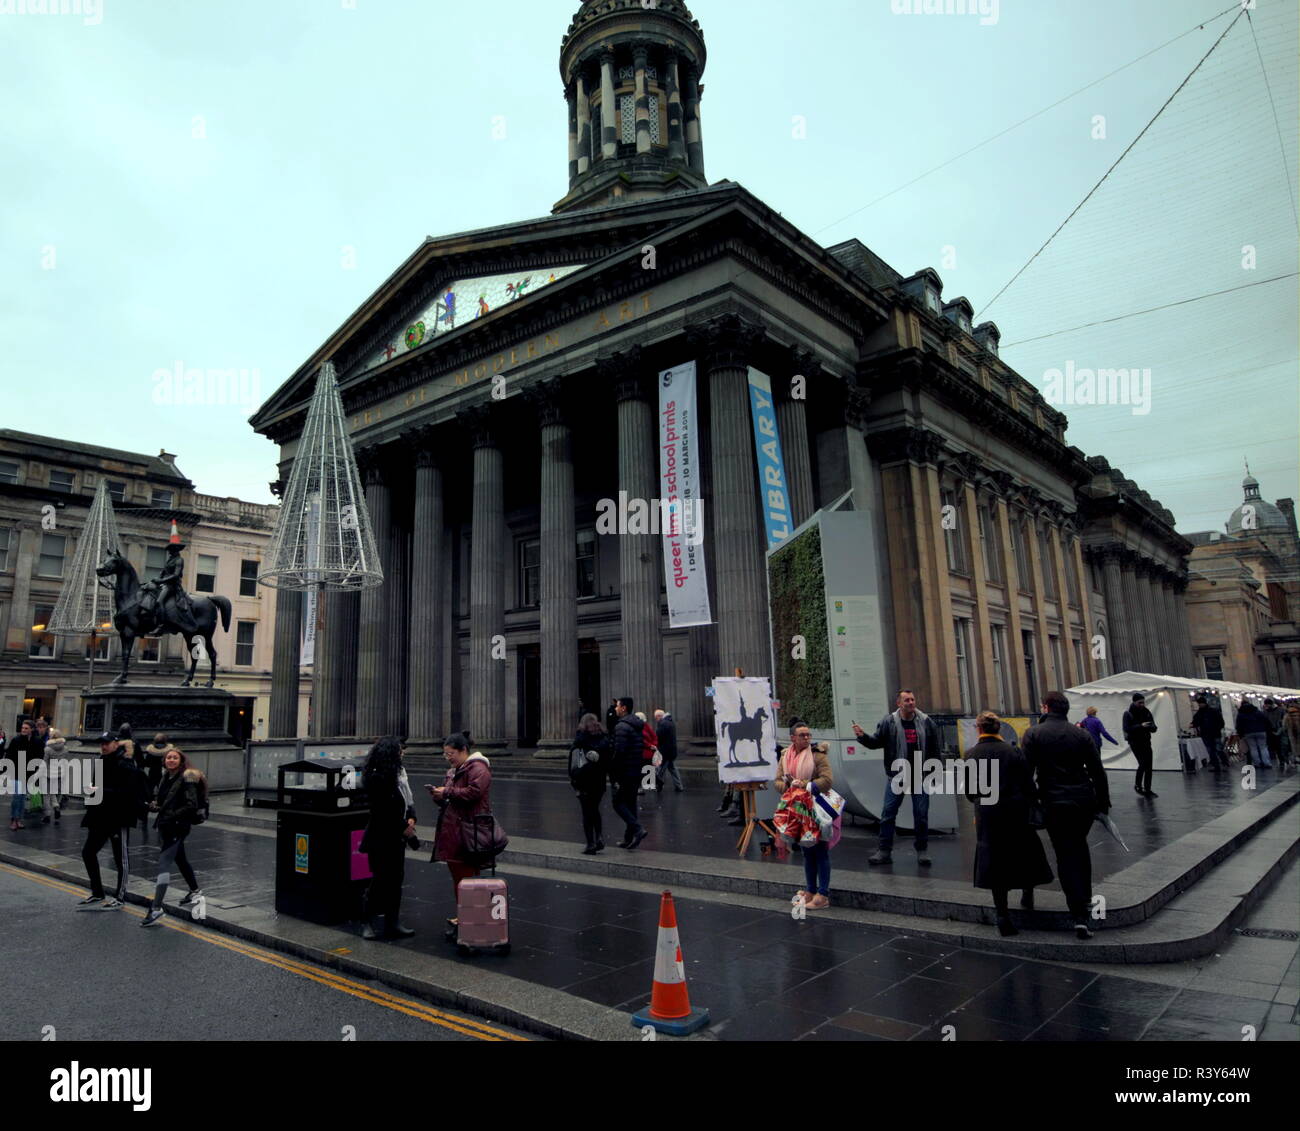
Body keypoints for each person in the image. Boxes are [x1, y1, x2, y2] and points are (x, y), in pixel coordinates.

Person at [1023, 691, 1111, 940]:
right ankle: (1083, 901)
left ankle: (1078, 913)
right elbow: (1097, 771)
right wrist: (1102, 804)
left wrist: (1032, 801)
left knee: (1065, 854)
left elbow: (1026, 773)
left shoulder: (1034, 734)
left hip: (1054, 801)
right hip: (1082, 800)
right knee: (1080, 849)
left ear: (1046, 707)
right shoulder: (1081, 734)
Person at [966, 711, 1054, 936]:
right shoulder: (1013, 751)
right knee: (1023, 852)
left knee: (995, 862)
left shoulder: (971, 755)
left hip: (988, 813)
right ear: (999, 729)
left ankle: (1002, 914)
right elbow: (1028, 784)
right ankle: (1027, 892)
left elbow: (969, 792)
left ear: (979, 729)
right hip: (1015, 811)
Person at [854, 689, 940, 866]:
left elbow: (934, 748)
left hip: (920, 775)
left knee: (921, 814)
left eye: (912, 699)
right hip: (897, 775)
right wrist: (862, 737)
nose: (910, 703)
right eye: (906, 700)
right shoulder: (889, 722)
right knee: (888, 814)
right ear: (898, 704)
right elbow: (876, 742)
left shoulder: (926, 722)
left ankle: (922, 850)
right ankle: (884, 851)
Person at [429, 733, 493, 933]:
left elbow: (474, 792)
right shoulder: (454, 770)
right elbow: (452, 797)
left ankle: (470, 918)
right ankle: (464, 914)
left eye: (451, 753)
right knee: (459, 877)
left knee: (467, 877)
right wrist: (439, 796)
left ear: (464, 750)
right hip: (454, 830)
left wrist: (447, 792)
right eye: (445, 754)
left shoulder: (478, 768)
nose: (448, 757)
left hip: (468, 830)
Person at [78, 732, 147, 910]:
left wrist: (100, 790)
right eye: (101, 743)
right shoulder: (101, 761)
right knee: (88, 852)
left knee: (120, 859)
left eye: (107, 743)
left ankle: (120, 896)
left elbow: (127, 793)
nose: (103, 746)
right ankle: (98, 892)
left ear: (116, 744)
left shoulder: (125, 764)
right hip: (99, 816)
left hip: (118, 817)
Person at [357, 736, 416, 940]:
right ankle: (367, 921)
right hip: (380, 837)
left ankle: (393, 922)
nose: (403, 753)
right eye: (399, 750)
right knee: (380, 880)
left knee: (395, 880)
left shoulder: (398, 774)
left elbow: (406, 800)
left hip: (396, 838)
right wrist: (403, 827)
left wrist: (411, 818)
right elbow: (382, 809)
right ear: (390, 753)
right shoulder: (376, 777)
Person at [140, 748, 206, 927]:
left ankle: (156, 908)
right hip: (167, 825)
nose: (171, 760)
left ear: (181, 760)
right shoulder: (165, 778)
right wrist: (155, 806)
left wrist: (172, 815)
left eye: (175, 758)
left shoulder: (187, 778)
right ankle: (195, 891)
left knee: (164, 863)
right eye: (168, 757)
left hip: (178, 826)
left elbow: (191, 804)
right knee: (181, 859)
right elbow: (164, 802)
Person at [775, 721, 834, 909]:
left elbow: (827, 780)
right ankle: (810, 890)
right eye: (802, 735)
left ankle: (823, 894)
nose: (807, 738)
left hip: (817, 810)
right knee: (807, 852)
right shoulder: (785, 756)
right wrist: (787, 786)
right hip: (797, 810)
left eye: (808, 734)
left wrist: (806, 784)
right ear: (792, 738)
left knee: (821, 850)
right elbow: (777, 781)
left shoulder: (818, 755)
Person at [610, 698, 647, 849]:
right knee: (630, 804)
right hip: (635, 769)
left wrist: (614, 772)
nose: (615, 708)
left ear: (623, 708)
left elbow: (619, 751)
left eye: (617, 706)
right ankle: (628, 838)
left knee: (617, 803)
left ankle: (637, 829)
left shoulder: (622, 727)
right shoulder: (636, 725)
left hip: (625, 771)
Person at [570, 713, 610, 854]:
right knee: (595, 809)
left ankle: (590, 844)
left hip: (584, 781)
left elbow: (573, 761)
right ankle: (599, 837)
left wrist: (574, 779)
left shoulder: (580, 739)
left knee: (587, 813)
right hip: (599, 781)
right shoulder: (604, 740)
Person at [1122, 693, 1158, 797]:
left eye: (1143, 702)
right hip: (1135, 742)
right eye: (1139, 703)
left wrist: (1152, 727)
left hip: (1146, 741)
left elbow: (1153, 725)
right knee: (1142, 763)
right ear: (1134, 702)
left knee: (1149, 766)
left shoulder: (1146, 711)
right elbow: (1127, 728)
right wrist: (1140, 726)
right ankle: (1138, 785)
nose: (1142, 704)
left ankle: (1147, 789)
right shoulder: (1128, 713)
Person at [6, 720, 37, 830]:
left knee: (23, 798)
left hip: (29, 774)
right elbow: (9, 756)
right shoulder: (16, 740)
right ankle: (14, 819)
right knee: (17, 797)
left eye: (26, 728)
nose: (23, 730)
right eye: (22, 728)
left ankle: (19, 819)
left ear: (32, 729)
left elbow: (38, 757)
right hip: (16, 772)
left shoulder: (36, 741)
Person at [1191, 696, 1226, 772]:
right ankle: (1218, 765)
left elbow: (1221, 722)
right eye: (1199, 703)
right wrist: (1193, 724)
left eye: (1201, 703)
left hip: (1212, 733)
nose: (1200, 705)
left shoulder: (1210, 711)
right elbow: (1196, 722)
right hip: (1208, 734)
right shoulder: (1202, 713)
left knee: (1216, 749)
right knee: (1212, 750)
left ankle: (1223, 763)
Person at [1235, 700, 1272, 768]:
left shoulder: (1241, 714)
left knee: (1253, 748)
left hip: (1248, 733)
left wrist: (1241, 734)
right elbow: (1266, 721)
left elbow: (1239, 725)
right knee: (1263, 747)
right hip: (1261, 731)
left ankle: (1257, 763)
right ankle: (1266, 763)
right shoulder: (1258, 712)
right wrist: (1267, 730)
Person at [42, 727, 69, 823]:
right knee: (52, 792)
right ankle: (56, 806)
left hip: (48, 774)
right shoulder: (65, 748)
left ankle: (47, 815)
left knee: (46, 794)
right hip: (59, 774)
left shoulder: (48, 749)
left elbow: (44, 762)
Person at [654, 708, 682, 792]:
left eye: (656, 718)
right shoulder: (670, 722)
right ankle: (679, 786)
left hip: (665, 751)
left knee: (660, 770)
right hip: (671, 750)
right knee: (672, 769)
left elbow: (658, 737)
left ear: (659, 716)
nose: (656, 720)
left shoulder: (663, 723)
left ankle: (659, 785)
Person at [1263, 698, 1285, 767]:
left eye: (1267, 705)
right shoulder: (1265, 711)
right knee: (1272, 746)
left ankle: (1282, 760)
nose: (1266, 706)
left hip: (1279, 730)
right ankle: (1275, 760)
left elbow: (1283, 719)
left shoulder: (1280, 710)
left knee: (1279, 746)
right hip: (1270, 731)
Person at [1283, 701, 1300, 771]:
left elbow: (1284, 725)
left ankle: (1297, 757)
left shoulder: (1287, 715)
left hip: (1291, 732)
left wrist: (1285, 729)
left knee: (1294, 745)